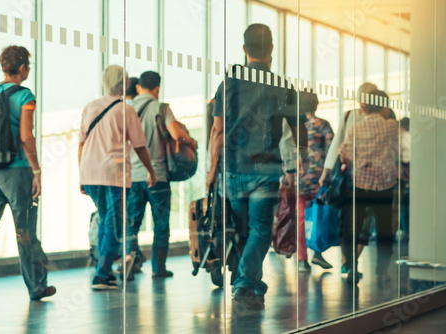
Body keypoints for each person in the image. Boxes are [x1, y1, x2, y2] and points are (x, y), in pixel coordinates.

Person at [207, 23, 307, 309]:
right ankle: (246, 284)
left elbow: (217, 131)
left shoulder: (229, 83)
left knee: (240, 230)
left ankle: (246, 284)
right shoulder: (282, 85)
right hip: (265, 171)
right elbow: (299, 129)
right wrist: (300, 156)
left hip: (233, 168)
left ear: (244, 49)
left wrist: (212, 170)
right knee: (260, 229)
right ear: (271, 49)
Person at [0, 45, 56, 304]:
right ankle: (37, 286)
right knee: (25, 230)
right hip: (15, 169)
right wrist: (37, 170)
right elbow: (26, 137)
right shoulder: (25, 96)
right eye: (28, 66)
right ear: (22, 69)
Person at [78, 65, 157, 290]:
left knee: (106, 219)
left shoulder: (90, 107)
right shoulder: (126, 110)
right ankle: (102, 274)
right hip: (113, 174)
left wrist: (80, 176)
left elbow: (81, 144)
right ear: (125, 84)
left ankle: (107, 269)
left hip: (90, 172)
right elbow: (140, 146)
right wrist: (151, 171)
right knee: (113, 221)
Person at [128, 71, 197, 279]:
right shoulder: (161, 108)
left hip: (132, 177)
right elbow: (176, 135)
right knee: (160, 225)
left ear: (139, 87)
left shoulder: (126, 109)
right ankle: (158, 268)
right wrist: (192, 142)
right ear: (157, 88)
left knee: (131, 223)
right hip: (157, 176)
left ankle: (131, 263)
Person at [339, 89, 398, 286]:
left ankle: (352, 268)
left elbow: (344, 155)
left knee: (353, 228)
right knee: (384, 230)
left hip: (360, 185)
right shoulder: (391, 126)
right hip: (384, 186)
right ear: (383, 106)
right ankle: (381, 272)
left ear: (365, 106)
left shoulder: (356, 128)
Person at [319, 82, 378, 274]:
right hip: (350, 178)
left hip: (372, 179)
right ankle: (349, 262)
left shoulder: (381, 119)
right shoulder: (350, 116)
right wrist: (326, 173)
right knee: (348, 221)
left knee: (365, 224)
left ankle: (352, 262)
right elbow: (338, 144)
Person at [280, 92, 334, 271]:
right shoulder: (323, 124)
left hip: (298, 178)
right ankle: (317, 252)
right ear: (316, 105)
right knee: (318, 216)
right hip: (319, 179)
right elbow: (332, 149)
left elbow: (285, 150)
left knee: (301, 219)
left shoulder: (292, 126)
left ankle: (302, 259)